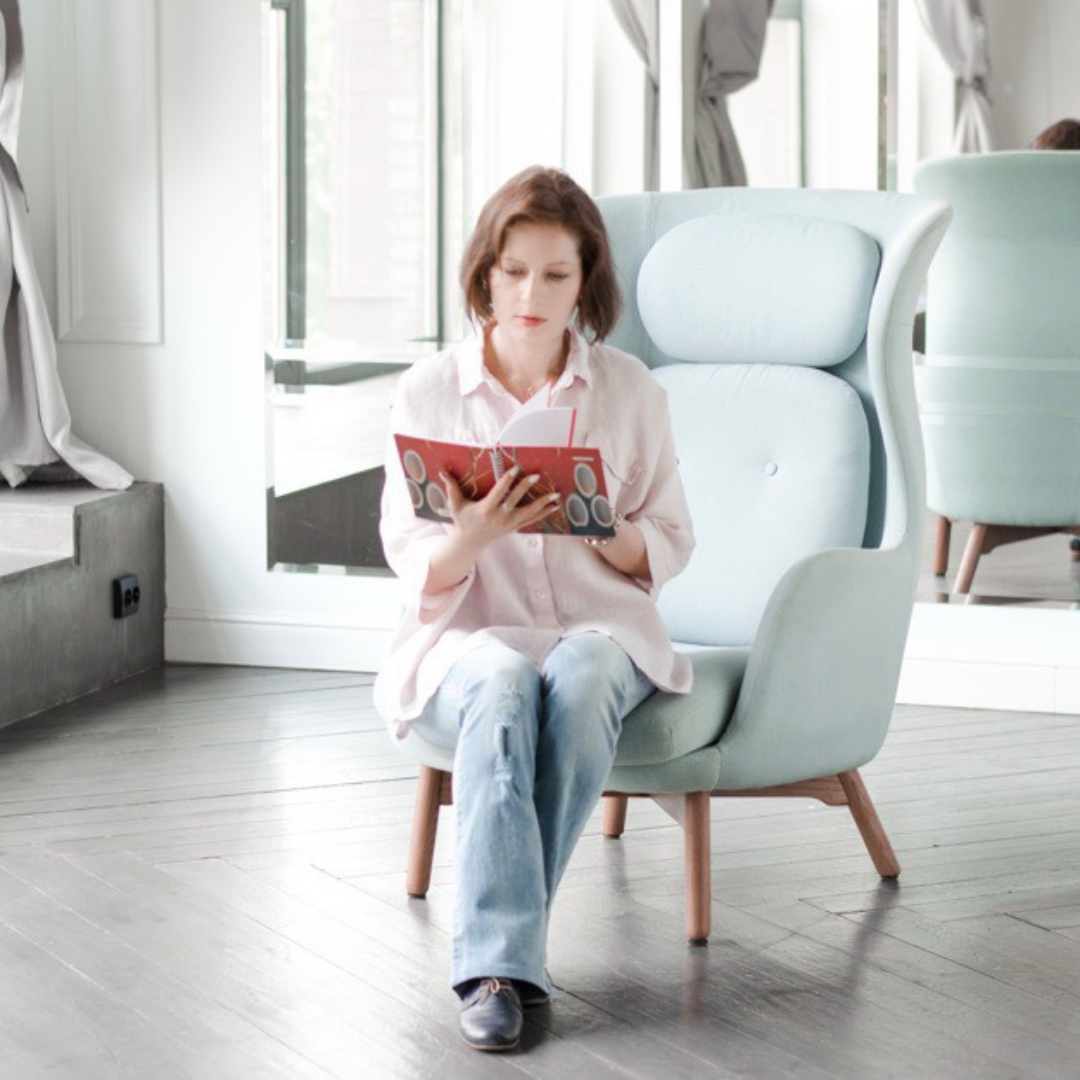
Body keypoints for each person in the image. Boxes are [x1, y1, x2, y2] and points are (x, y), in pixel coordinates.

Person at [374, 166, 695, 1052]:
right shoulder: (427, 391)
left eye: (556, 275)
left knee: (584, 670)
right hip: (466, 641)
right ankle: (507, 960)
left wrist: (604, 530)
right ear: (484, 274)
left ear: (586, 282)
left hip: (601, 630)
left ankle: (496, 964)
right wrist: (472, 536)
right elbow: (410, 560)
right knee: (504, 680)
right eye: (513, 272)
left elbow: (671, 539)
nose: (531, 295)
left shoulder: (631, 391)